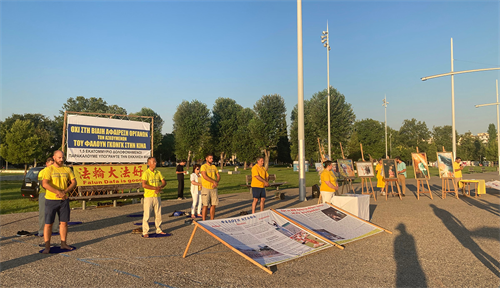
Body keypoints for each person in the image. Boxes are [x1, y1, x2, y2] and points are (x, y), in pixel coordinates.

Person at [41, 150, 76, 253]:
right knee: (48, 224)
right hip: (51, 200)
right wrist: (57, 192)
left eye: (62, 157)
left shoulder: (67, 169)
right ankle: (47, 246)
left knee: (64, 223)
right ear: (54, 158)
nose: (61, 159)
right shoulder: (49, 170)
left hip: (64, 200)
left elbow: (74, 182)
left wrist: (65, 191)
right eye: (59, 158)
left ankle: (63, 243)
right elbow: (45, 184)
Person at [141, 157, 167, 237]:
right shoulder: (146, 173)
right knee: (147, 214)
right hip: (149, 196)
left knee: (158, 214)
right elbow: (144, 185)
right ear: (149, 163)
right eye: (153, 162)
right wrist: (155, 188)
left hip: (157, 196)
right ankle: (145, 231)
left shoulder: (158, 172)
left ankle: (159, 229)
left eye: (155, 162)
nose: (155, 163)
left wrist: (160, 187)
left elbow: (164, 182)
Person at [38, 156, 59, 239]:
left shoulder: (56, 171)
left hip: (54, 194)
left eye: (53, 164)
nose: (52, 165)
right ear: (46, 164)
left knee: (56, 212)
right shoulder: (42, 172)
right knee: (43, 212)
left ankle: (55, 229)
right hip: (44, 193)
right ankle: (41, 230)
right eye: (50, 164)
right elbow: (42, 183)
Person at [200, 154, 220, 220]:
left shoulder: (214, 167)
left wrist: (216, 182)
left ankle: (212, 219)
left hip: (213, 188)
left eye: (212, 158)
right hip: (206, 187)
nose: (212, 160)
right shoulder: (203, 166)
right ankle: (204, 220)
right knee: (205, 205)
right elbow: (204, 176)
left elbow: (218, 175)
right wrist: (213, 181)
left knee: (213, 204)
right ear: (207, 159)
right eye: (210, 158)